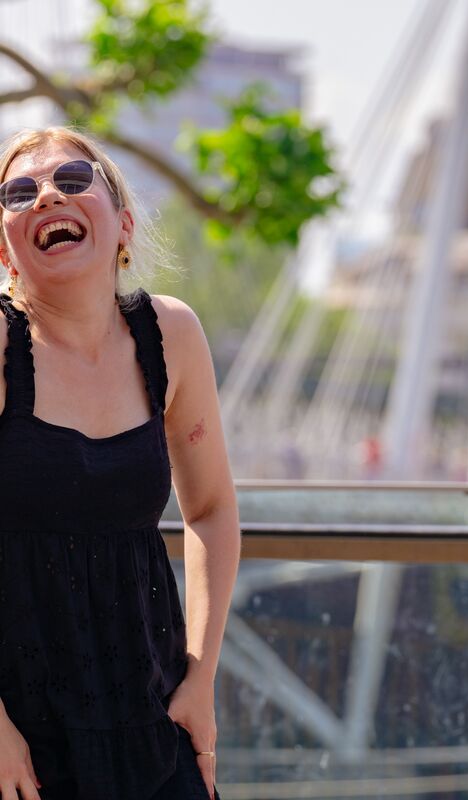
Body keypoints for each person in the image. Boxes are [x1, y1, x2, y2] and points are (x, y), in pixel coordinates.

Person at [0, 127, 241, 800]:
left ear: (124, 223)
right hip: (18, 732)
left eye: (73, 180)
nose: (47, 194)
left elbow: (213, 510)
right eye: (19, 193)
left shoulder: (172, 335)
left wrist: (200, 679)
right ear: (5, 249)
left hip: (152, 713)